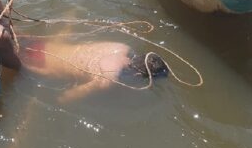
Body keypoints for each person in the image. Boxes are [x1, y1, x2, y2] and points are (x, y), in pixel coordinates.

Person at [18, 36, 168, 103]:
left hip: (42, 45)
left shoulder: (121, 47)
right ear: (137, 74)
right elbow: (67, 97)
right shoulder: (107, 79)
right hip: (40, 65)